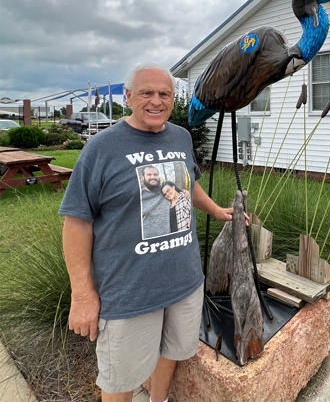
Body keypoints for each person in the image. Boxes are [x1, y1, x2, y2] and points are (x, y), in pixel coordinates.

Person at [60, 64, 238, 402]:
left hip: (184, 282)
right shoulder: (101, 149)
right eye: (147, 93)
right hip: (129, 293)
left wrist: (215, 210)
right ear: (128, 97)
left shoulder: (180, 136)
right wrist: (83, 294)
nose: (156, 101)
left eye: (165, 94)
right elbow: (77, 222)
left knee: (170, 352)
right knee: (119, 378)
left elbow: (190, 182)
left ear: (173, 99)